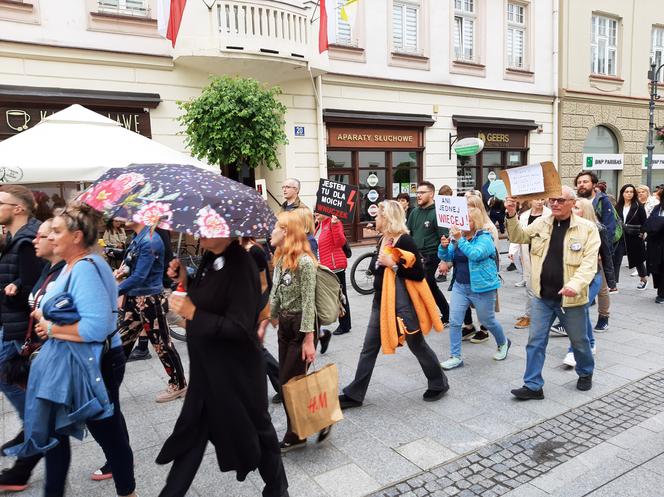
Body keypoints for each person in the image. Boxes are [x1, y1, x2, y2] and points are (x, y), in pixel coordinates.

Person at [9, 203, 136, 497]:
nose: (49, 237)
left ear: (76, 236)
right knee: (65, 431)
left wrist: (51, 328)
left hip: (93, 361)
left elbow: (94, 328)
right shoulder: (71, 265)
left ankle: (128, 492)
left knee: (108, 431)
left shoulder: (85, 268)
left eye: (56, 231)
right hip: (78, 358)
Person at [157, 234, 288, 497]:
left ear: (227, 230)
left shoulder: (242, 264)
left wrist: (193, 313)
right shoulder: (211, 257)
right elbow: (210, 297)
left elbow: (239, 328)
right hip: (208, 370)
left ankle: (277, 489)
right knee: (192, 434)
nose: (199, 233)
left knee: (259, 432)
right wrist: (184, 279)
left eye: (207, 227)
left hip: (236, 373)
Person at [338, 200, 448, 409]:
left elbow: (419, 273)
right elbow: (376, 269)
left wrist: (394, 264)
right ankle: (355, 394)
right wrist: (380, 262)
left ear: (387, 218)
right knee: (368, 348)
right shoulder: (384, 239)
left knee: (417, 345)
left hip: (402, 304)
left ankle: (439, 382)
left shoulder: (405, 240)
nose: (375, 219)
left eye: (378, 216)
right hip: (381, 302)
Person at [505, 186, 600, 399]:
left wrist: (574, 285)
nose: (554, 204)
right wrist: (511, 213)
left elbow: (589, 264)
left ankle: (585, 372)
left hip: (571, 299)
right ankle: (533, 386)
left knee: (579, 341)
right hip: (542, 297)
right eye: (552, 200)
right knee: (535, 341)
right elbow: (518, 236)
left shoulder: (587, 228)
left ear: (572, 202)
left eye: (560, 200)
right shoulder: (542, 223)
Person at [0, 219, 63, 491]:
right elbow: (32, 291)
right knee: (51, 420)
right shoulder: (48, 266)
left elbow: (91, 324)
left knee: (53, 420)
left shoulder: (77, 268)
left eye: (48, 234)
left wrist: (48, 324)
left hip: (43, 345)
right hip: (27, 337)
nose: (36, 240)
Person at [263, 210, 322, 452]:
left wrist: (309, 340)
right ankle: (317, 420)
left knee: (289, 383)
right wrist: (267, 320)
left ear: (286, 231)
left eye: (275, 227)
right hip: (285, 327)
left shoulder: (305, 262)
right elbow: (275, 293)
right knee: (294, 383)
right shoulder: (281, 258)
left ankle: (296, 435)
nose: (271, 232)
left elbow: (309, 303)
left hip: (301, 327)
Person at [115, 218, 187, 404]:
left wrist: (112, 290)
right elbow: (133, 268)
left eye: (124, 213)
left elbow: (140, 276)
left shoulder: (150, 240)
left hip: (149, 300)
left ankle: (179, 384)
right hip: (134, 298)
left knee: (162, 345)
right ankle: (108, 386)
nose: (119, 217)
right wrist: (121, 272)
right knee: (121, 342)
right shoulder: (138, 238)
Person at [0, 185, 44, 492]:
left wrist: (13, 291)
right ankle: (33, 425)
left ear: (19, 208)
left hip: (24, 330)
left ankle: (32, 426)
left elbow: (32, 289)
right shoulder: (16, 238)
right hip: (14, 326)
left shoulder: (29, 239)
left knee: (11, 379)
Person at [437, 207, 510, 370]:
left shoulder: (485, 238)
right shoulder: (458, 238)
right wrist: (443, 247)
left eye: (467, 220)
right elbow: (447, 257)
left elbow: (476, 254)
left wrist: (459, 240)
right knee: (455, 322)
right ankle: (455, 356)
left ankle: (503, 342)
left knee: (487, 320)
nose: (462, 223)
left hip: (482, 287)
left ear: (476, 222)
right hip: (460, 286)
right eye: (461, 220)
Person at [559, 198, 615, 367]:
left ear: (585, 211)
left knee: (577, 311)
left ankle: (573, 351)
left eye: (576, 208)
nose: (572, 210)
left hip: (592, 278)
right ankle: (590, 343)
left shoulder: (596, 229)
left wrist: (612, 282)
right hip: (572, 278)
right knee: (581, 311)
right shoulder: (566, 228)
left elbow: (607, 256)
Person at [242, 237, 282, 404]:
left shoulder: (254, 250)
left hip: (255, 305)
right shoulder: (237, 250)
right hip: (243, 306)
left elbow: (264, 284)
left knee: (255, 348)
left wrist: (262, 317)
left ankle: (282, 384)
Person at [456, 193, 499, 342]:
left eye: (470, 207)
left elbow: (485, 253)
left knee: (485, 311)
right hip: (463, 272)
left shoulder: (486, 230)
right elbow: (453, 251)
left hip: (482, 273)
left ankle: (486, 329)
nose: (466, 211)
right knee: (461, 306)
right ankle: (468, 326)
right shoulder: (462, 230)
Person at [576, 171, 616, 330]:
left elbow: (609, 228)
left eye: (585, 181)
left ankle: (604, 316)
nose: (581, 184)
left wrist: (600, 250)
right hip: (578, 249)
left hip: (598, 249)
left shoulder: (603, 201)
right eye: (579, 182)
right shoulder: (576, 200)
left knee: (602, 286)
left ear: (593, 184)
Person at [406, 181, 450, 325]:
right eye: (417, 193)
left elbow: (443, 238)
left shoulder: (438, 212)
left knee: (428, 283)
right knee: (426, 286)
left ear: (431, 194)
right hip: (416, 255)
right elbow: (409, 232)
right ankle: (434, 313)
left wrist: (444, 260)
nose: (418, 195)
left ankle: (445, 314)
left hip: (431, 254)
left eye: (421, 193)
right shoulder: (414, 212)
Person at [513, 199, 551, 329]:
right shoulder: (524, 216)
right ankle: (530, 314)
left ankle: (533, 315)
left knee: (538, 286)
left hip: (544, 256)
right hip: (527, 254)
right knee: (529, 285)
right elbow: (519, 234)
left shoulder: (549, 214)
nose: (540, 202)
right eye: (537, 199)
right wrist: (514, 250)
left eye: (542, 199)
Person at [315, 213, 351, 342]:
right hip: (325, 267)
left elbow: (340, 241)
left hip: (335, 266)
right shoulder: (319, 225)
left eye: (318, 211)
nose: (315, 213)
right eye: (314, 211)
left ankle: (345, 324)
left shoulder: (333, 222)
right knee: (335, 296)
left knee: (341, 296)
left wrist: (335, 224)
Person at [614, 184, 648, 290]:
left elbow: (644, 222)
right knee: (616, 259)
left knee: (637, 260)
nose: (629, 194)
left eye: (631, 192)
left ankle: (643, 279)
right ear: (622, 193)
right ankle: (613, 284)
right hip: (620, 237)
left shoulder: (638, 207)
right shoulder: (618, 206)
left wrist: (641, 234)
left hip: (634, 237)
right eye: (627, 192)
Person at [644, 188, 664, 304]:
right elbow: (648, 223)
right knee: (656, 268)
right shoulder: (657, 208)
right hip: (655, 244)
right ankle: (660, 291)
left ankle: (661, 293)